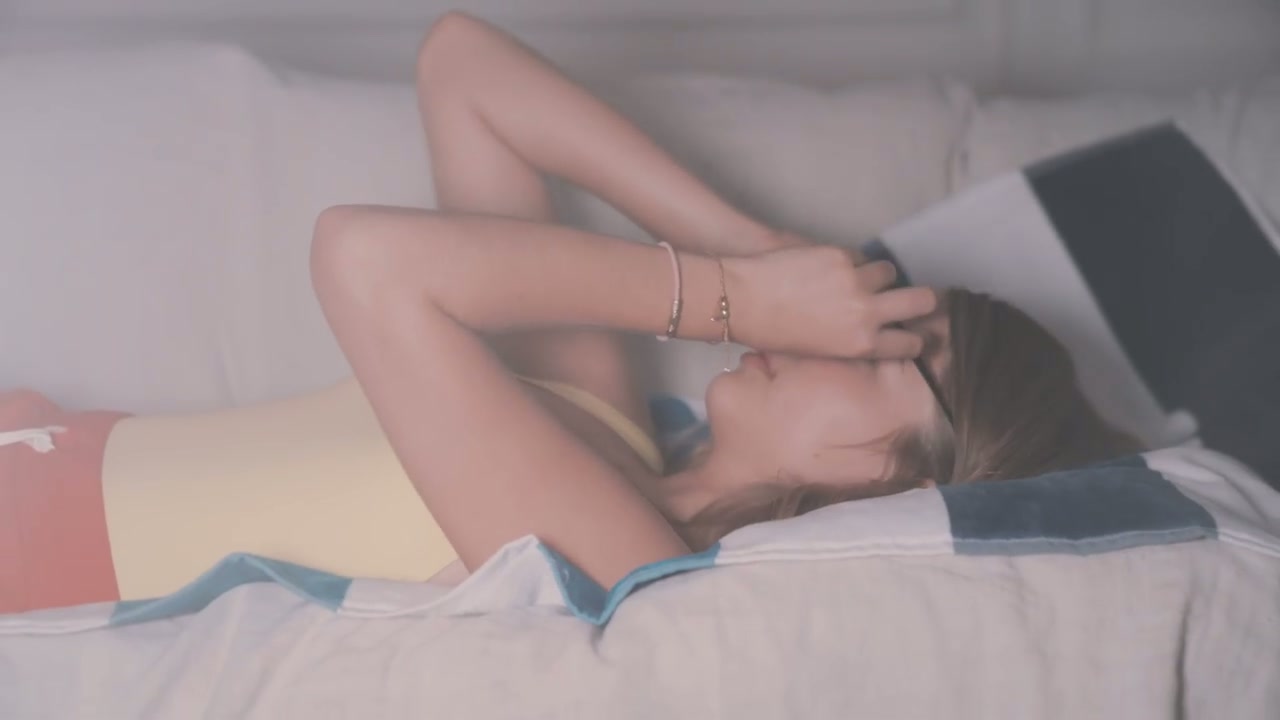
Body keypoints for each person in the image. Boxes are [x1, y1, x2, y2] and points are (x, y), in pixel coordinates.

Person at [309, 11, 1142, 590]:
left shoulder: (640, 569)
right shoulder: (603, 423)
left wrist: (737, 299)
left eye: (881, 349)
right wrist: (754, 247)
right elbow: (460, 66)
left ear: (908, 485)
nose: (826, 334)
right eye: (864, 315)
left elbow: (366, 261)